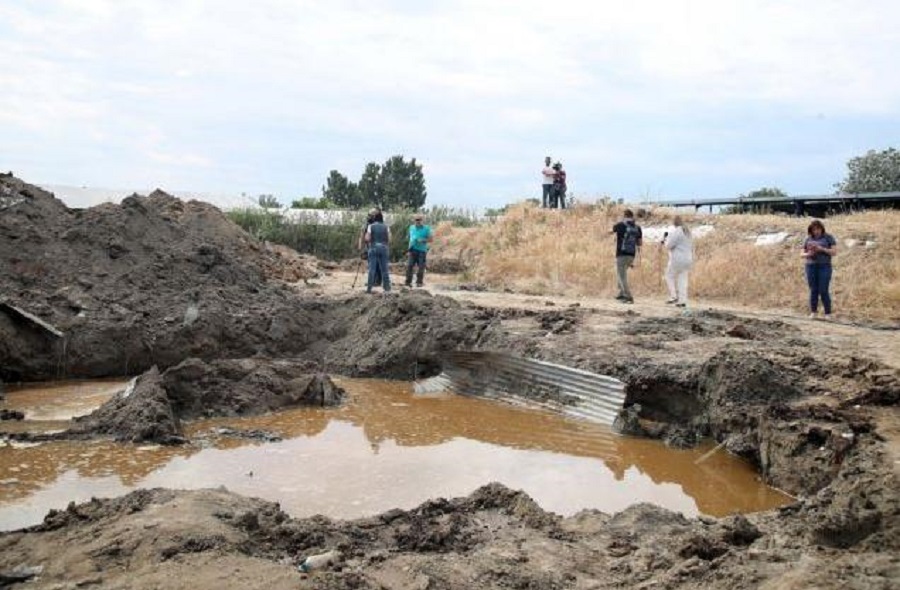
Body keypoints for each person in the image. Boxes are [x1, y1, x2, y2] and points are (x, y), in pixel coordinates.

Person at [801, 219, 837, 319]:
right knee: (813, 290)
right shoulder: (807, 239)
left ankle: (828, 313)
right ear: (810, 230)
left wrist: (822, 249)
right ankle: (813, 312)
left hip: (824, 266)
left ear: (822, 228)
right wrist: (809, 253)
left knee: (823, 289)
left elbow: (834, 252)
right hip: (811, 266)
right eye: (814, 229)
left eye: (818, 229)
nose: (816, 231)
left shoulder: (828, 237)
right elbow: (801, 254)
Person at [611, 209, 642, 303]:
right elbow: (640, 243)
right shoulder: (637, 227)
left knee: (621, 276)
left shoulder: (620, 225)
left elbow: (611, 230)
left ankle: (628, 296)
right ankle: (621, 293)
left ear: (624, 215)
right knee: (621, 274)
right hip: (631, 255)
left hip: (621, 254)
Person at [663, 216, 694, 308]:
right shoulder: (688, 232)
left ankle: (673, 296)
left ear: (674, 223)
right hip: (688, 259)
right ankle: (682, 301)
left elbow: (669, 245)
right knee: (683, 279)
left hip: (678, 259)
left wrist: (665, 240)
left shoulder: (677, 231)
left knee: (668, 276)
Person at [364, 210, 391, 293]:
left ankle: (369, 289)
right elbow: (390, 239)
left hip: (373, 247)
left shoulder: (371, 226)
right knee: (384, 269)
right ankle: (387, 289)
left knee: (372, 269)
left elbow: (367, 238)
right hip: (384, 248)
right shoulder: (386, 226)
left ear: (375, 218)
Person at [405, 213, 433, 288]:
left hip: (422, 251)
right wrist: (408, 250)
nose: (418, 221)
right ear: (414, 220)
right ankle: (408, 282)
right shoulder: (411, 227)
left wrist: (423, 240)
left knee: (421, 267)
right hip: (412, 249)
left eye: (419, 220)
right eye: (416, 220)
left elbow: (431, 239)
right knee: (409, 266)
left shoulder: (427, 228)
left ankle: (419, 282)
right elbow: (410, 239)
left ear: (422, 220)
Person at [358, 208, 382, 286]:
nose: (369, 216)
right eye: (369, 215)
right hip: (369, 247)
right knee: (372, 264)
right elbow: (361, 236)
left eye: (372, 215)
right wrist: (360, 247)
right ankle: (373, 280)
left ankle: (377, 281)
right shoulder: (366, 225)